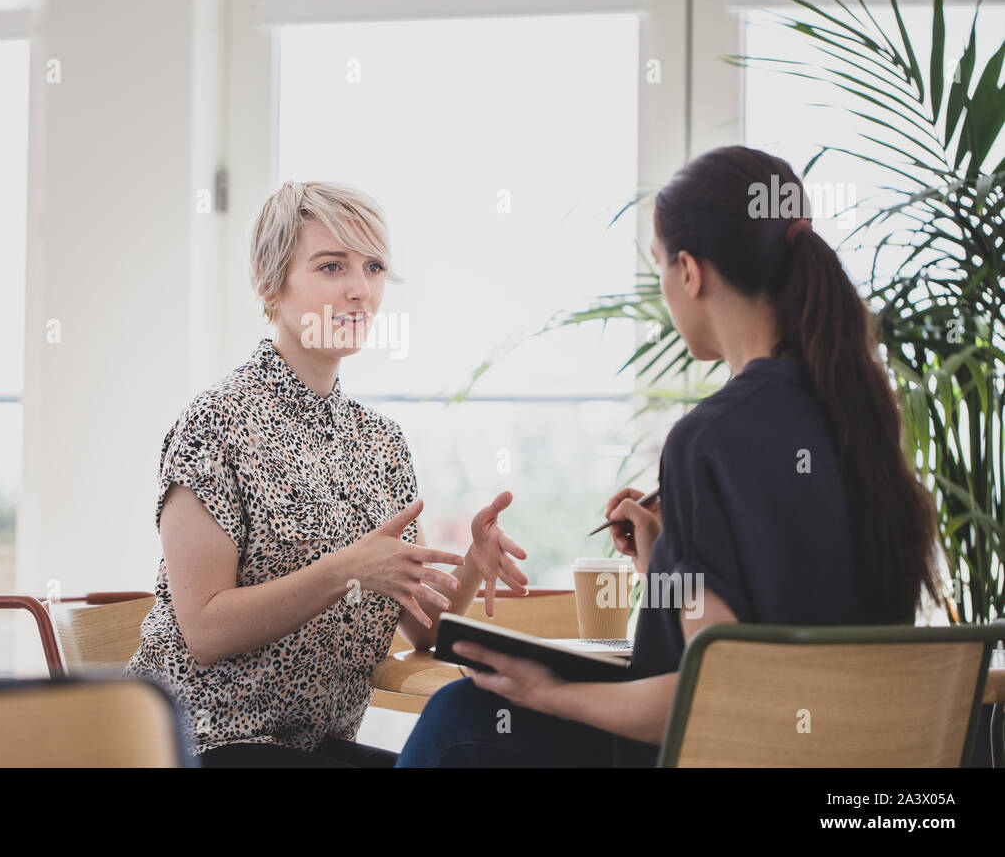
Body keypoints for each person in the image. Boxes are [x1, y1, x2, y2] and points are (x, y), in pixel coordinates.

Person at [394, 144, 973, 767]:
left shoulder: (710, 436)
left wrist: (553, 693)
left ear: (690, 272)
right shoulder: (859, 414)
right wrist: (667, 556)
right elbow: (767, 623)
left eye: (660, 266)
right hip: (852, 781)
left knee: (460, 718)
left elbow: (714, 696)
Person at [123, 180, 529, 767]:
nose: (360, 291)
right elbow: (205, 631)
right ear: (270, 283)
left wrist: (470, 566)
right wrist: (344, 571)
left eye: (373, 267)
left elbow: (425, 630)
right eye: (331, 266)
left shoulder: (381, 442)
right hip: (205, 744)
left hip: (316, 747)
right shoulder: (216, 424)